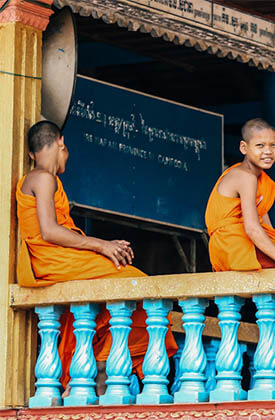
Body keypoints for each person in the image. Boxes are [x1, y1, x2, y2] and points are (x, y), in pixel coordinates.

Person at [16, 120, 178, 395]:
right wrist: (101, 245)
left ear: (30, 153)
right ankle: (102, 370)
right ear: (60, 143)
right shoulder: (44, 176)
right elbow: (50, 230)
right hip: (53, 258)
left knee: (102, 303)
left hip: (58, 258)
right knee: (136, 282)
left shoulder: (39, 177)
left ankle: (88, 374)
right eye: (66, 150)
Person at [205, 118, 275, 368]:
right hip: (235, 247)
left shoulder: (258, 179)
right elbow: (252, 229)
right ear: (244, 148)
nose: (268, 151)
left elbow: (265, 227)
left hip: (244, 244)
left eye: (273, 145)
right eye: (260, 146)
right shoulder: (244, 176)